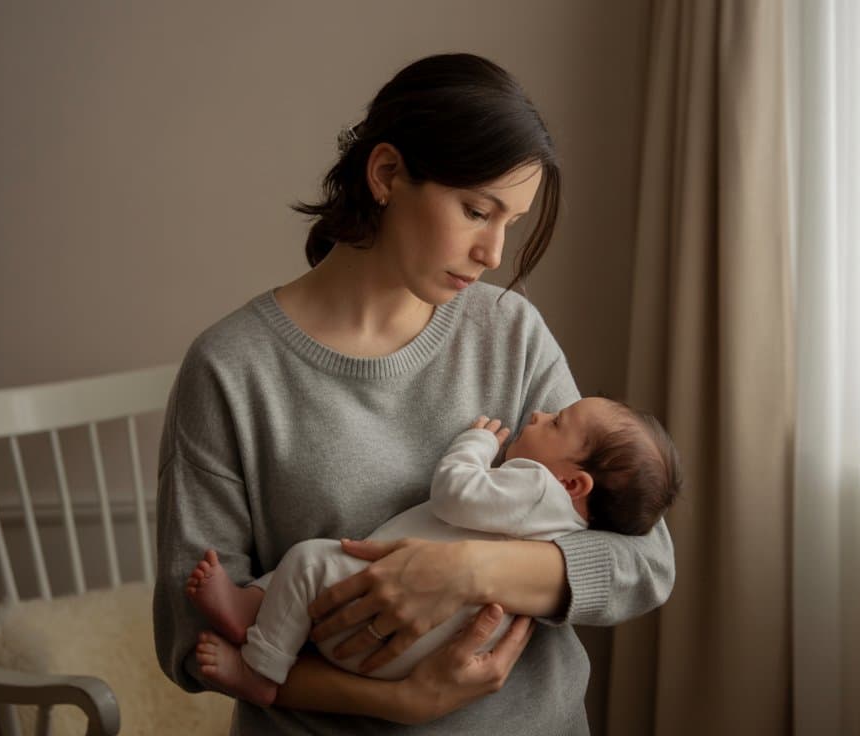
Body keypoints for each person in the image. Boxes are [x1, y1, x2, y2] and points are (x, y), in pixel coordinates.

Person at [153, 52, 676, 734]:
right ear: (388, 174)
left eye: (510, 223)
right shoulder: (232, 368)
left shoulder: (509, 330)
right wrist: (401, 701)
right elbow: (191, 638)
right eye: (476, 211)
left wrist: (468, 571)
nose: (494, 253)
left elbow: (644, 560)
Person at [184, 401, 682, 705]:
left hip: (376, 634)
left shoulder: (534, 486)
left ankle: (261, 669)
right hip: (416, 656)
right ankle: (254, 609)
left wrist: (476, 444)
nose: (540, 412)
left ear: (572, 482)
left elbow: (455, 492)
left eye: (556, 422)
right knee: (311, 572)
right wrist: (403, 700)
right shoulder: (564, 518)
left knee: (308, 560)